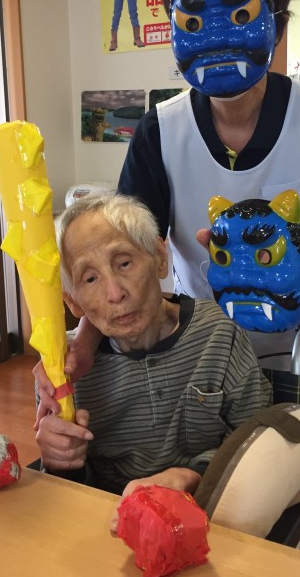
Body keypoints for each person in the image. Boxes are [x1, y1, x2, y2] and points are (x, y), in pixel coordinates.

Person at [38, 0, 300, 549]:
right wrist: (81, 342)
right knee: (213, 480)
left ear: (274, 20)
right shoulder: (160, 129)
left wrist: (271, 272)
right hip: (203, 342)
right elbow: (122, 243)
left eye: (237, 11)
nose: (218, 33)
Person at [35, 193, 273, 533]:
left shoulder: (219, 336)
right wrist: (60, 460)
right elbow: (70, 495)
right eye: (90, 279)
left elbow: (258, 449)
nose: (115, 293)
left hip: (213, 519)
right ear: (72, 301)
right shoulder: (61, 371)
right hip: (110, 527)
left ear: (160, 258)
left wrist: (191, 476)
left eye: (124, 263)